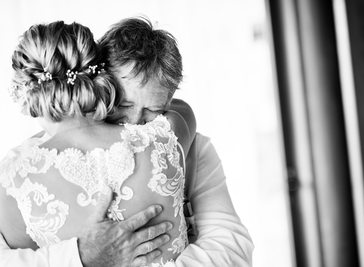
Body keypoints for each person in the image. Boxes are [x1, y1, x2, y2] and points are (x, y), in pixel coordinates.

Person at [0, 18, 254, 267]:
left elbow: (231, 244)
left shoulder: (186, 144)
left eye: (153, 110)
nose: (134, 122)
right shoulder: (30, 164)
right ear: (100, 85)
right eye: (123, 104)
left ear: (170, 100)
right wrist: (79, 256)